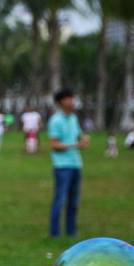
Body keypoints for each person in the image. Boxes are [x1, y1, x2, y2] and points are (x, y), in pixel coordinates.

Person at [48, 88, 89, 237]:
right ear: (61, 102)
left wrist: (83, 140)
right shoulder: (55, 121)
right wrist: (75, 145)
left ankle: (71, 232)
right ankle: (55, 233)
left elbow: (78, 136)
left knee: (74, 202)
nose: (72, 102)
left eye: (73, 98)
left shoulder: (73, 118)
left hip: (75, 164)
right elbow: (53, 145)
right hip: (62, 166)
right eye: (69, 99)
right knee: (60, 201)